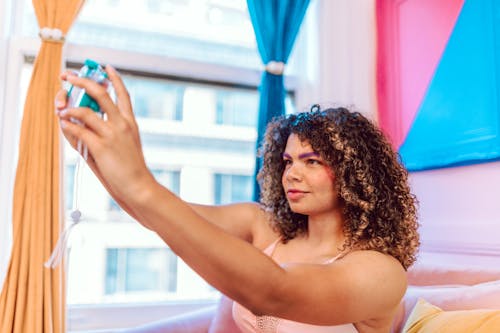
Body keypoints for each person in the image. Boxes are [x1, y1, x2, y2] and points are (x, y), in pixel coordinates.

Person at [55, 66, 419, 333]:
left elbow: (275, 291)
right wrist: (94, 152)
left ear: (356, 175)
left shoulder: (381, 272)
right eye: (288, 161)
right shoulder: (263, 226)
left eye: (312, 162)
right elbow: (156, 215)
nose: (291, 173)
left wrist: (140, 180)